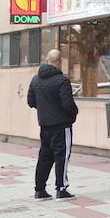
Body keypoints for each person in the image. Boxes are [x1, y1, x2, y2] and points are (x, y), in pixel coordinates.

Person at [26, 48, 79, 199]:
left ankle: (40, 189)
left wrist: (44, 109)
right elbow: (68, 104)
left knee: (44, 156)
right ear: (60, 62)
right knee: (62, 155)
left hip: (44, 125)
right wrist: (74, 114)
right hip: (62, 125)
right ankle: (61, 188)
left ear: (47, 61)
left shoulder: (36, 79)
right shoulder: (62, 81)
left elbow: (30, 101)